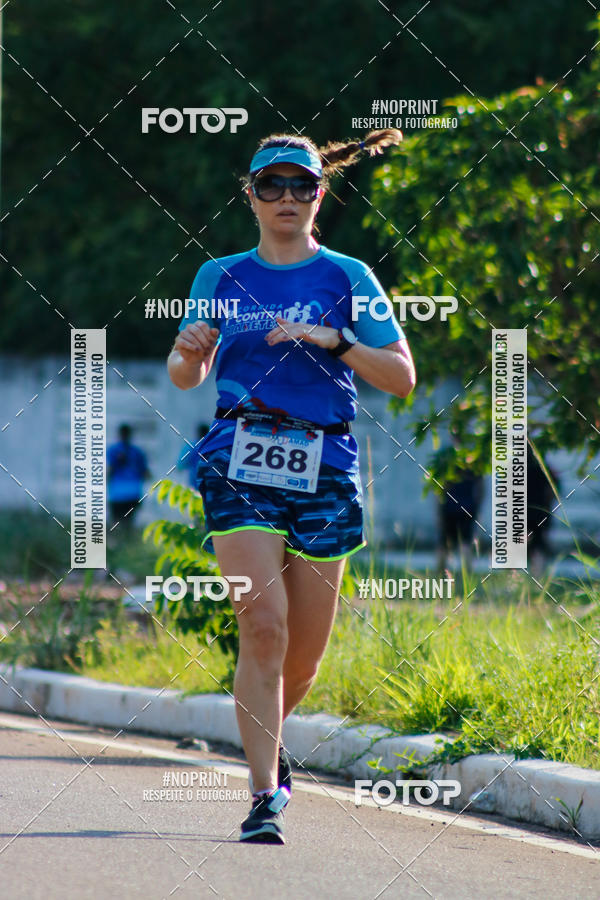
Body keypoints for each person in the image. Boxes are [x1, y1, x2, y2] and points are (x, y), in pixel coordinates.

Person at [167, 130, 416, 844]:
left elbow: (400, 378)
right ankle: (262, 799)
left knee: (300, 658)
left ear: (319, 194)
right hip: (236, 460)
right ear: (248, 194)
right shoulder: (219, 275)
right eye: (269, 185)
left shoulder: (348, 278)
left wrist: (331, 340)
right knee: (263, 626)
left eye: (299, 186)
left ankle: (268, 746)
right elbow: (186, 374)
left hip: (327, 466)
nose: (285, 198)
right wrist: (187, 354)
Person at [106, 423, 150, 530]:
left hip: (117, 493)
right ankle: (127, 542)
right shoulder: (138, 452)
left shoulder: (113, 450)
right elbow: (146, 473)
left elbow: (109, 471)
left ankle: (117, 544)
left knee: (116, 523)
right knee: (129, 523)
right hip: (133, 492)